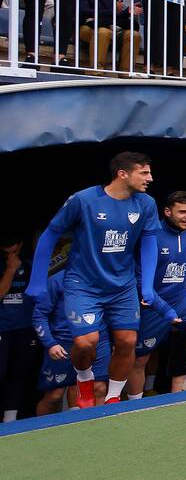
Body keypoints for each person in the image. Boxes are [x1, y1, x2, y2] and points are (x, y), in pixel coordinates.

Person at [26, 152, 163, 409]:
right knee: (85, 342)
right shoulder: (84, 199)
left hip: (122, 286)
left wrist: (147, 284)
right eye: (144, 173)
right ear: (122, 174)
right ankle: (84, 377)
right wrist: (37, 280)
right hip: (83, 285)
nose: (150, 178)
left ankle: (113, 395)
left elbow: (149, 242)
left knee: (127, 342)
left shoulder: (146, 203)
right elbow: (50, 234)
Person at [127, 191, 186, 397]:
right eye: (183, 212)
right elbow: (139, 278)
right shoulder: (151, 233)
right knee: (140, 359)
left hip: (180, 295)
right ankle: (134, 402)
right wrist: (160, 306)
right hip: (150, 301)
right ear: (167, 212)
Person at [0, 235, 37, 421]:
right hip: (3, 328)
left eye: (14, 252)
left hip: (25, 328)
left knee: (19, 373)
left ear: (21, 245)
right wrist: (10, 269)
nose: (11, 256)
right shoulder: (4, 266)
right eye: (6, 253)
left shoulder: (30, 267)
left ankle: (10, 419)